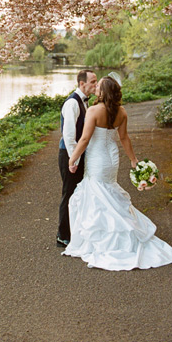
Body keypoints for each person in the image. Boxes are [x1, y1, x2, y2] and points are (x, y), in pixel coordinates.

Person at [64, 76, 172, 270]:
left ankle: (107, 236)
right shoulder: (121, 112)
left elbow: (85, 139)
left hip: (97, 157)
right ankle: (120, 230)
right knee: (108, 189)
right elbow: (124, 138)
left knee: (97, 192)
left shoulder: (94, 110)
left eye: (99, 86)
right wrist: (133, 159)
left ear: (104, 92)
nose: (95, 88)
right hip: (111, 157)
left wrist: (73, 158)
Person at [56, 69, 96, 248]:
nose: (95, 85)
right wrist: (74, 160)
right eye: (93, 82)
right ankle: (63, 236)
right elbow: (69, 136)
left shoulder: (83, 102)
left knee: (77, 193)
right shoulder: (72, 103)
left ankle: (75, 232)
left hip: (76, 155)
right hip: (69, 155)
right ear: (82, 84)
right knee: (69, 193)